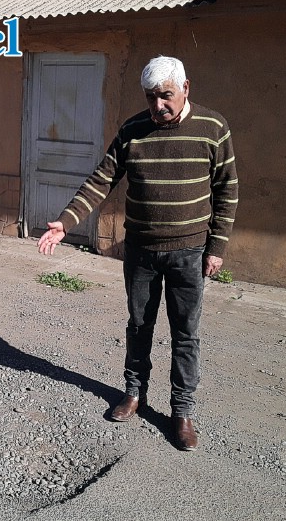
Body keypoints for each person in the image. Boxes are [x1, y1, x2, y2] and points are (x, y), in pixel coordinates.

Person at [37, 55, 238, 451]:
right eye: (151, 98)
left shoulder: (213, 127)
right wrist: (67, 221)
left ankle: (181, 412)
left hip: (189, 252)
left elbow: (227, 189)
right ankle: (134, 393)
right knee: (138, 325)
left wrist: (217, 246)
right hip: (142, 251)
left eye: (166, 96)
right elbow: (103, 177)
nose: (158, 106)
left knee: (185, 334)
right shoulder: (133, 129)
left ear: (186, 88)